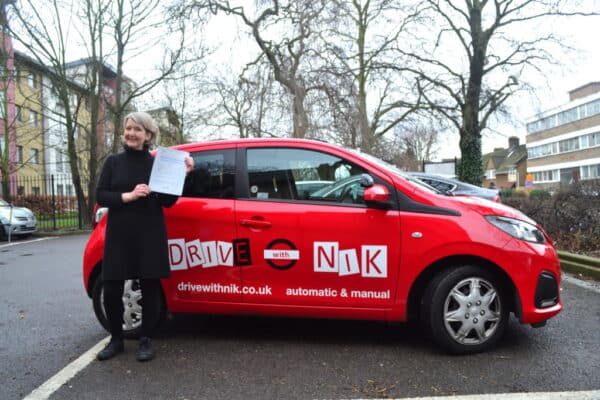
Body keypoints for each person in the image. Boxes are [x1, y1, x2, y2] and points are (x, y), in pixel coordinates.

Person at [95, 111, 193, 362]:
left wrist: (182, 174)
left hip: (149, 232)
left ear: (148, 135)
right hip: (119, 233)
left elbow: (168, 201)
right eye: (128, 128)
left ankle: (146, 339)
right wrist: (128, 196)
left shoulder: (157, 164)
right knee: (113, 286)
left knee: (150, 286)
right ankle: (116, 339)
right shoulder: (113, 162)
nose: (131, 133)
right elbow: (101, 195)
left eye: (137, 129)